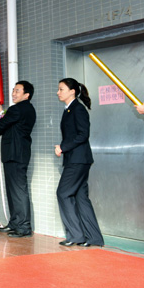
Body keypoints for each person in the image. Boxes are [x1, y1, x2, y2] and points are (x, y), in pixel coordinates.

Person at [54, 78, 104, 247]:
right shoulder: (69, 109)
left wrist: (63, 147)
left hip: (78, 160)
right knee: (81, 197)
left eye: (61, 89)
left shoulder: (78, 109)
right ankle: (94, 238)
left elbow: (83, 134)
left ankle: (76, 235)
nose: (58, 92)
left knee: (63, 193)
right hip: (77, 159)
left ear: (72, 91)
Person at [0, 81, 36, 238]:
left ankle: (23, 226)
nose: (13, 93)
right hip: (19, 154)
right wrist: (3, 114)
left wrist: (1, 114)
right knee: (14, 191)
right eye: (13, 90)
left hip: (14, 154)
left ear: (26, 95)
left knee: (17, 191)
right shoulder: (29, 109)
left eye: (17, 91)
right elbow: (10, 126)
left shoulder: (16, 109)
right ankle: (15, 223)